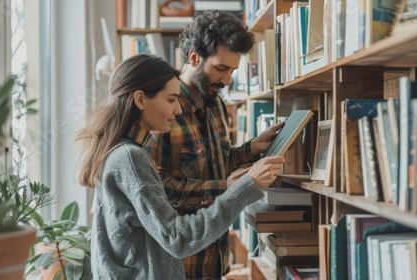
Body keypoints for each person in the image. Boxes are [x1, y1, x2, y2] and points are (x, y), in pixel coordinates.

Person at [75, 54, 284, 279]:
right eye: (171, 100)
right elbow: (178, 239)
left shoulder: (122, 151)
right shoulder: (130, 159)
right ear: (141, 100)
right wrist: (244, 188)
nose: (178, 110)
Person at [145, 10, 285, 279]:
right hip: (179, 264)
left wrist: (253, 147)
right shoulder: (162, 110)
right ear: (195, 57)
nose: (227, 80)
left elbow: (220, 161)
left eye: (232, 70)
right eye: (221, 68)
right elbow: (155, 189)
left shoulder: (216, 104)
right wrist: (228, 188)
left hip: (215, 259)